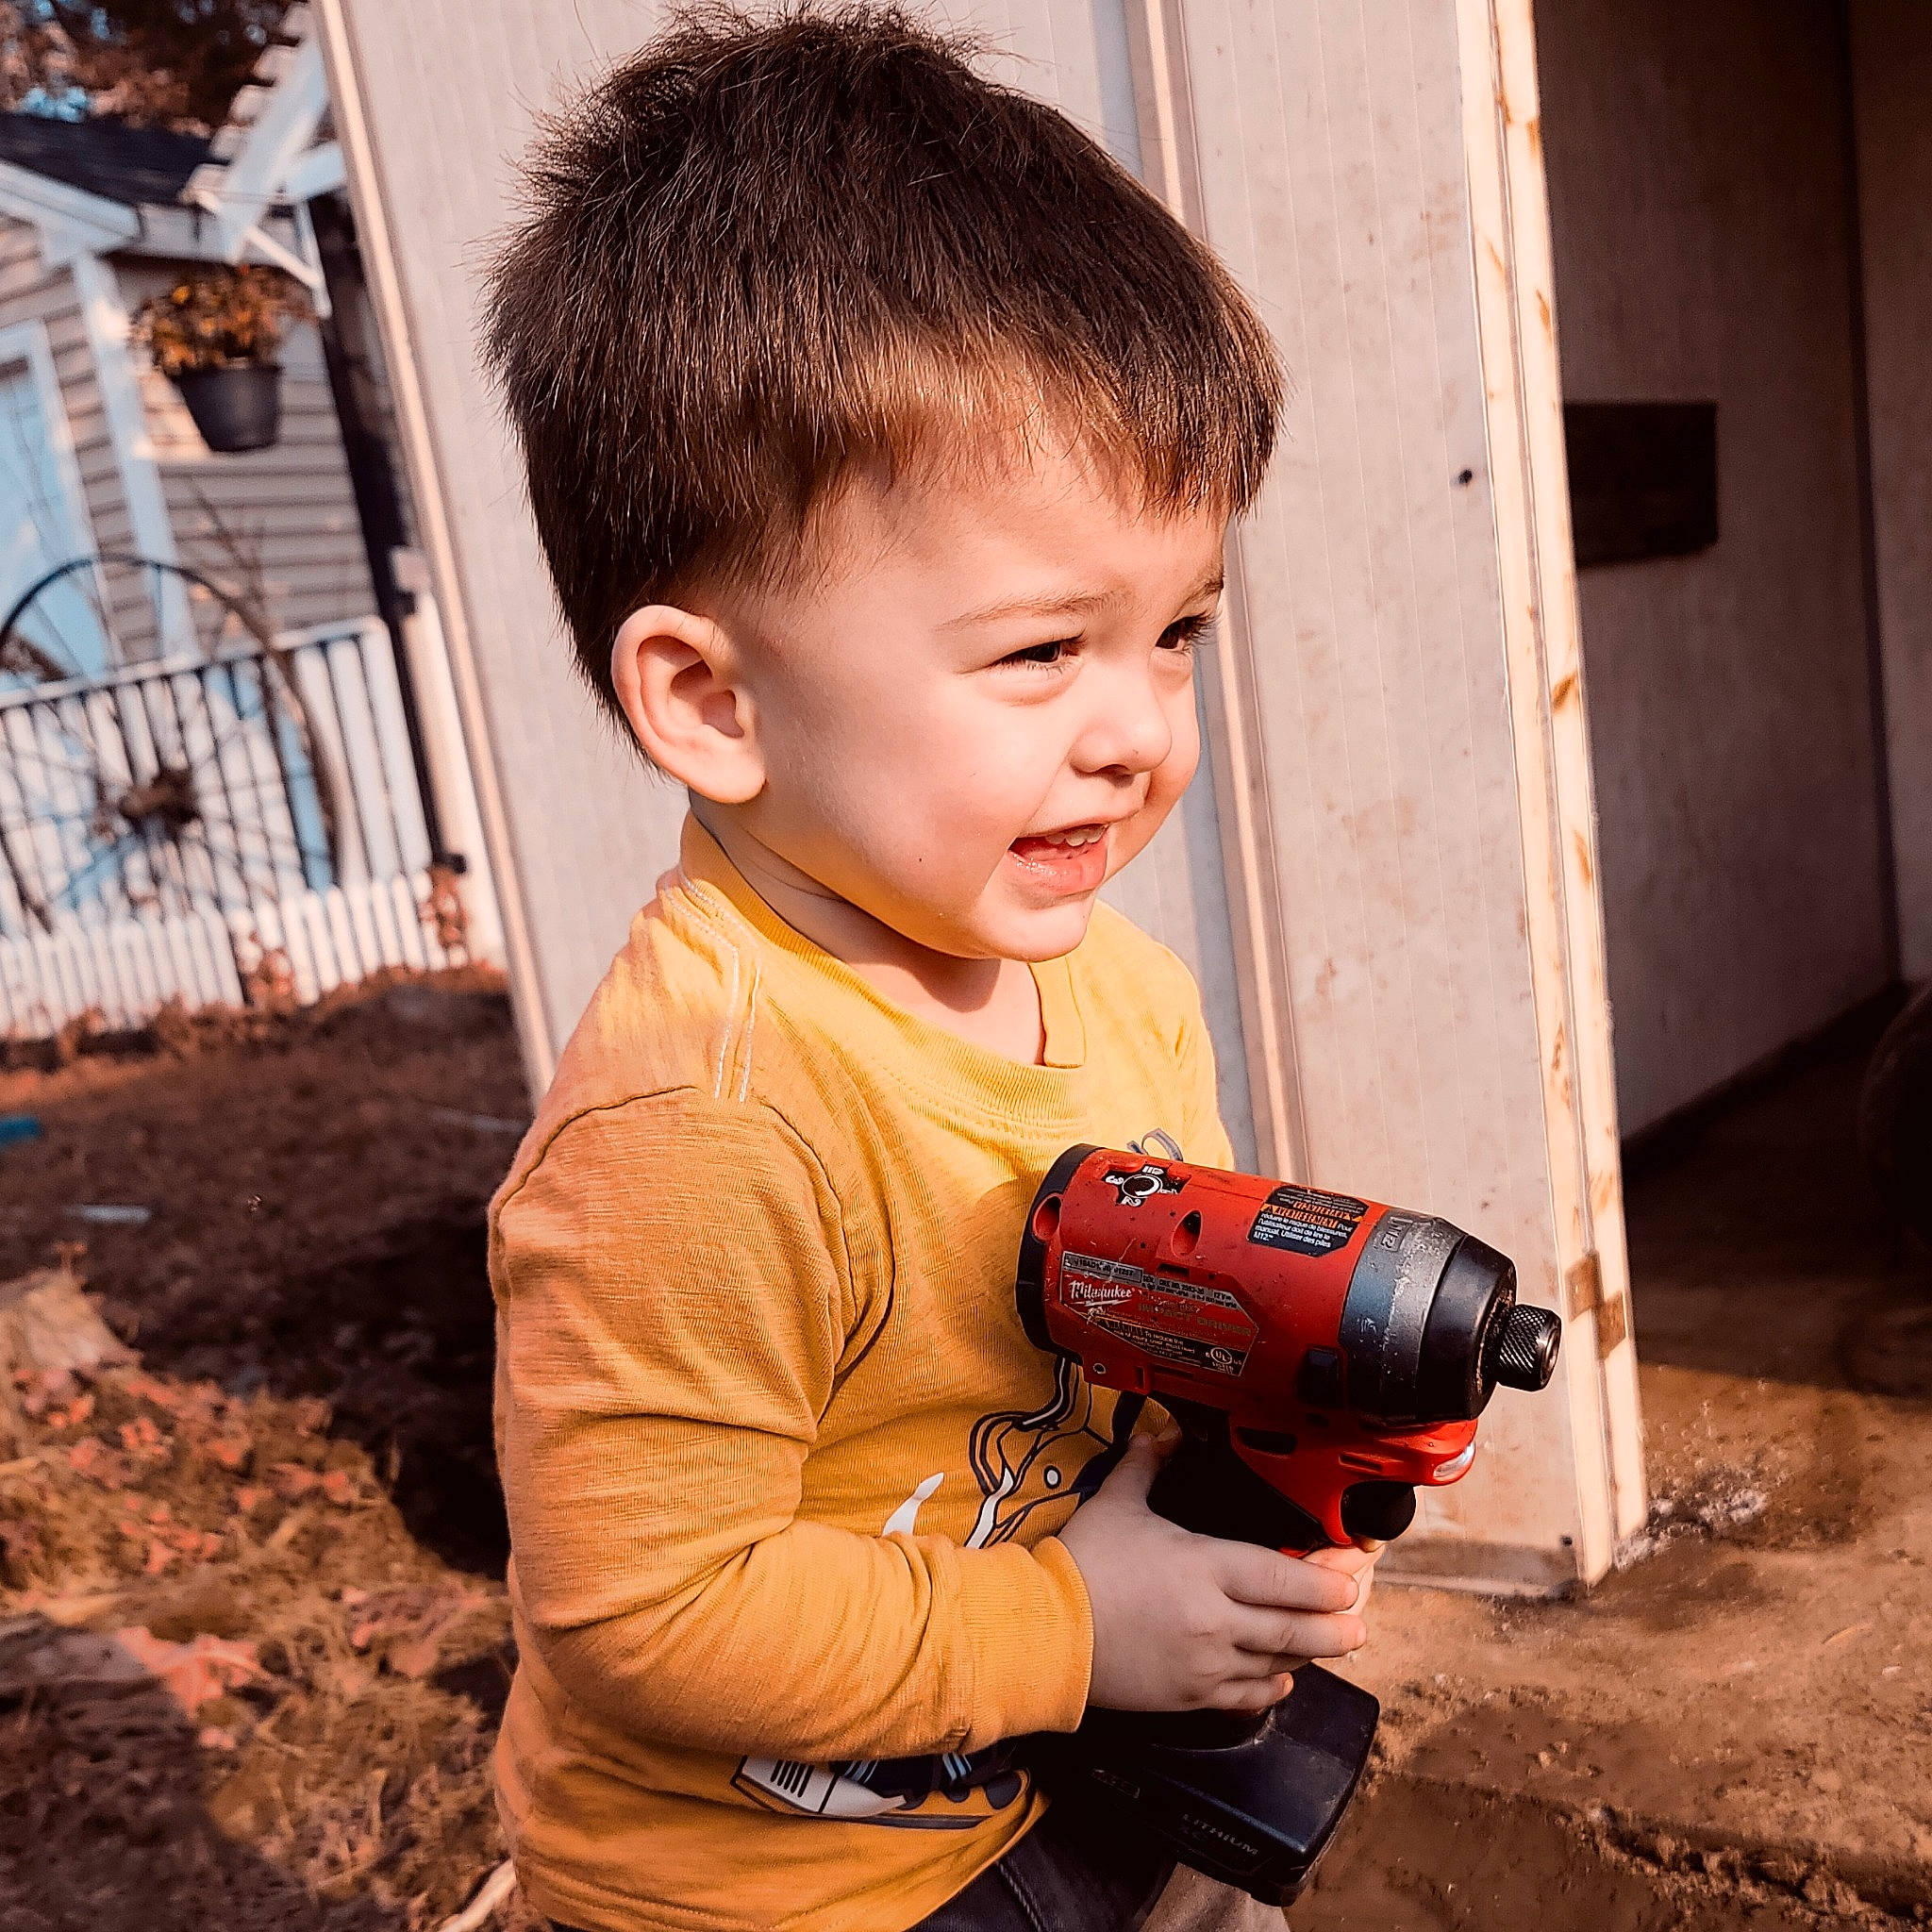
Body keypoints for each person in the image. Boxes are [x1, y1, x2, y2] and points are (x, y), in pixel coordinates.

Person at [480, 9, 1376, 1930]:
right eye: (1044, 652)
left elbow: (1172, 1336)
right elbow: (650, 1610)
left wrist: (1261, 1493)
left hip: (1048, 1753)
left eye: (1176, 630)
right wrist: (1076, 1623)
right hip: (780, 1889)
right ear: (710, 699)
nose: (1138, 729)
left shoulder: (1113, 986)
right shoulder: (706, 1124)